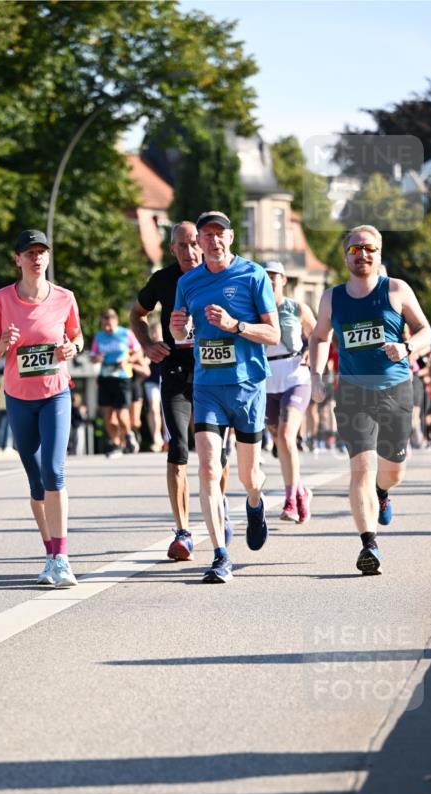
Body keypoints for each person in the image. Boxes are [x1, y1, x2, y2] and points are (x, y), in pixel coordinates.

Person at [309, 224, 431, 575]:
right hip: (352, 391)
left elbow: (426, 331)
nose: (362, 254)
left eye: (369, 249)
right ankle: (369, 544)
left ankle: (382, 492)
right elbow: (319, 337)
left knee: (393, 470)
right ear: (345, 254)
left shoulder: (396, 289)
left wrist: (406, 347)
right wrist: (317, 376)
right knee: (361, 468)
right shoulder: (332, 297)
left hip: (396, 389)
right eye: (355, 249)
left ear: (379, 253)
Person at [170, 210, 280, 583]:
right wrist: (178, 328)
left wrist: (236, 326)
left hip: (248, 385)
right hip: (207, 387)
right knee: (209, 469)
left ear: (230, 238)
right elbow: (184, 332)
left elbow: (274, 334)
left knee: (250, 476)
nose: (213, 240)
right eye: (207, 235)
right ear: (198, 242)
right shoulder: (188, 282)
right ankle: (219, 554)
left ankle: (254, 502)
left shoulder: (253, 275)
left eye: (220, 234)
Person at [0, 228, 83, 587]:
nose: (37, 258)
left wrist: (72, 349)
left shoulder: (65, 297)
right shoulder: (1, 300)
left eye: (42, 252)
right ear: (18, 260)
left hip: (55, 393)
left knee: (55, 473)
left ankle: (62, 558)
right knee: (37, 481)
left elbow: (76, 337)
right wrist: (5, 344)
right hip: (19, 398)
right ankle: (49, 555)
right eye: (30, 253)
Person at [130, 221, 232, 561]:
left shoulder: (219, 275)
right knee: (178, 447)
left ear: (202, 244)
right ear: (172, 249)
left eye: (193, 244)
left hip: (214, 372)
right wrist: (148, 344)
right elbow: (137, 313)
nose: (189, 251)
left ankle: (219, 510)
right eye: (181, 246)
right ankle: (183, 532)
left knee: (216, 455)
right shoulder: (162, 280)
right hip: (175, 371)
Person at [262, 261, 316, 523]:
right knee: (279, 441)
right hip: (268, 379)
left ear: (284, 279)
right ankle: (301, 490)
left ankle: (291, 500)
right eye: (266, 276)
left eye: (275, 276)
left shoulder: (297, 308)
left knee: (286, 435)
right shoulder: (255, 310)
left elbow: (318, 336)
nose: (271, 280)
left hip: (296, 374)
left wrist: (310, 354)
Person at [90, 308, 140, 457]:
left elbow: (138, 351)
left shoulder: (126, 334)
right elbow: (93, 356)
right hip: (105, 377)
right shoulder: (99, 336)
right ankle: (115, 443)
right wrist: (97, 358)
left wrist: (127, 360)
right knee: (108, 414)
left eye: (109, 325)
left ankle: (129, 435)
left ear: (116, 321)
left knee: (121, 412)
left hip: (122, 377)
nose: (107, 328)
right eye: (104, 325)